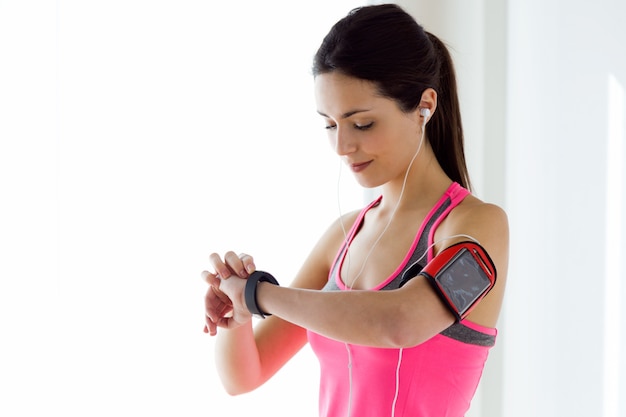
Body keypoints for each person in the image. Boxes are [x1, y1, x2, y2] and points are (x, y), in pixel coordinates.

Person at [202, 4, 509, 417]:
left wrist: (259, 295)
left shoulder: (479, 227)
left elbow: (401, 322)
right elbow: (244, 376)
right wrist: (236, 314)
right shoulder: (344, 236)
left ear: (425, 105)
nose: (342, 146)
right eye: (330, 124)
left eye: (361, 124)